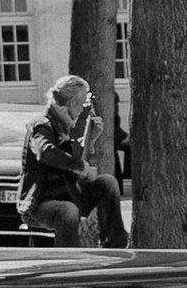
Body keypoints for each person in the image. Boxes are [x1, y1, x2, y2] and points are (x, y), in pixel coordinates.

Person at [19, 73, 127, 249]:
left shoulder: (66, 126)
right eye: (83, 103)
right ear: (72, 103)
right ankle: (70, 258)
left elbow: (70, 164)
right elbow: (45, 152)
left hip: (69, 195)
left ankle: (115, 245)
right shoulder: (43, 125)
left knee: (108, 182)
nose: (84, 108)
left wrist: (90, 140)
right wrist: (82, 167)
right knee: (68, 210)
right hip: (40, 203)